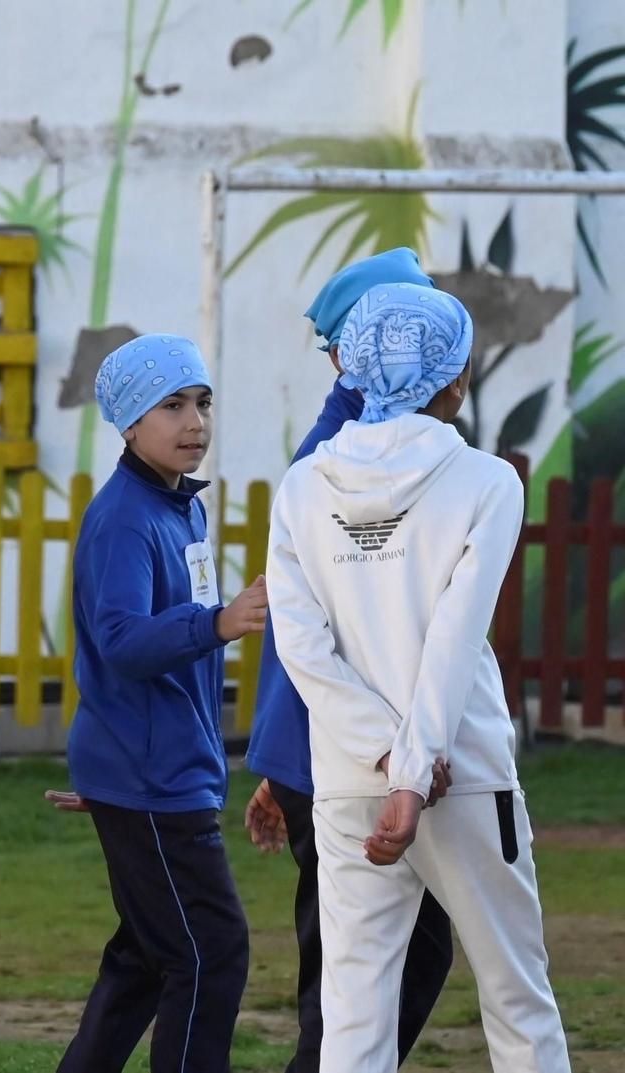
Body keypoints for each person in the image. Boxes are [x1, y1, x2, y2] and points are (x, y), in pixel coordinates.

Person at [268, 282, 570, 1072]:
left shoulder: (303, 487)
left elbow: (303, 650)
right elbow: (454, 638)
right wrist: (413, 767)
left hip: (349, 779)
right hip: (459, 774)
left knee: (353, 1018)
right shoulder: (488, 481)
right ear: (456, 380)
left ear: (355, 369)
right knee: (517, 999)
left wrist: (382, 759)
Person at [242, 248, 456, 1072]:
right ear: (347, 353)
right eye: (405, 326)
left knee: (363, 969)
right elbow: (322, 636)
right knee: (366, 977)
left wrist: (277, 763)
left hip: (334, 757)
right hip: (363, 760)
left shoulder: (372, 444)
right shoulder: (346, 459)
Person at [47, 334, 267, 1073]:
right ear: (128, 423)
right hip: (152, 775)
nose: (193, 421)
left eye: (202, 402)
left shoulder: (183, 510)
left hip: (158, 769)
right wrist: (218, 622)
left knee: (148, 952)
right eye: (170, 405)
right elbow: (121, 641)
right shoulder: (125, 518)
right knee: (211, 952)